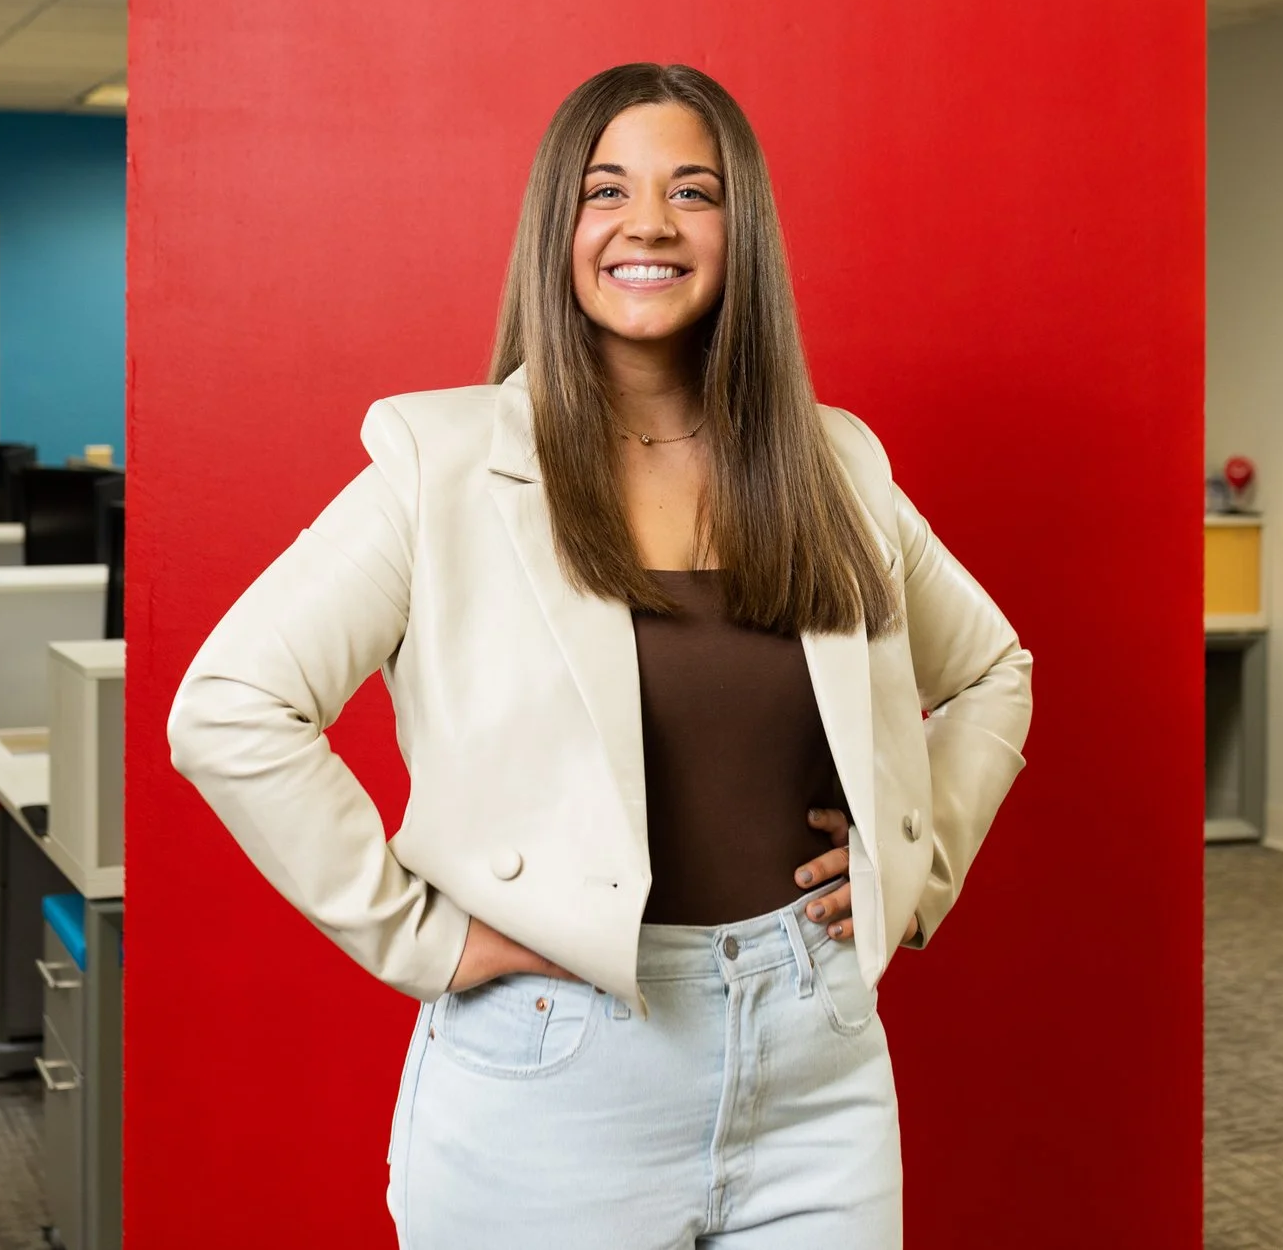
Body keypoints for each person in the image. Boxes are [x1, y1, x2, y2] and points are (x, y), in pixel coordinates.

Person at [168, 62, 1033, 1248]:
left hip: (815, 1055)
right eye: (606, 190)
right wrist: (422, 936)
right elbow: (229, 705)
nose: (650, 225)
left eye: (694, 191)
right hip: (554, 1064)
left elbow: (991, 671)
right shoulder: (445, 461)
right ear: (557, 228)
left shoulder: (835, 466)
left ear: (743, 234)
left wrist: (912, 870)